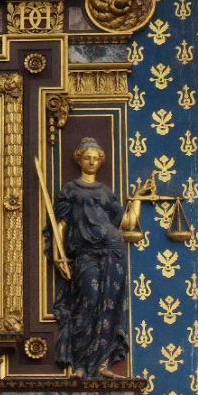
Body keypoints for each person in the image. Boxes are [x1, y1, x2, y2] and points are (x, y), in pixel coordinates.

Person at [50, 137, 131, 377]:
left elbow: (125, 223)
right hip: (85, 253)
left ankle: (102, 364)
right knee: (87, 301)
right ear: (79, 159)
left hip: (113, 252)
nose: (92, 162)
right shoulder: (71, 189)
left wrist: (136, 199)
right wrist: (58, 255)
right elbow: (61, 226)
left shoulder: (106, 192)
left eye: (96, 159)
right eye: (88, 158)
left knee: (109, 306)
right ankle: (80, 365)